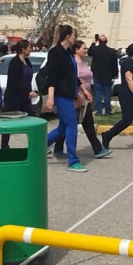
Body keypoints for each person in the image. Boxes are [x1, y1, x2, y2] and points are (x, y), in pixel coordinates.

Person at [53, 40, 111, 160]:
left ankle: (57, 148)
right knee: (74, 125)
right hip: (77, 99)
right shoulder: (73, 63)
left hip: (85, 98)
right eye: (84, 48)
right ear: (76, 50)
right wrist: (83, 91)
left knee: (78, 124)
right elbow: (73, 80)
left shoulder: (82, 62)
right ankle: (97, 149)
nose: (86, 50)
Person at [43, 24, 86, 172]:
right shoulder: (55, 53)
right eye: (73, 35)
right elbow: (52, 77)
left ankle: (38, 146)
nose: (75, 38)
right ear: (67, 36)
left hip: (70, 94)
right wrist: (50, 97)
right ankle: (73, 161)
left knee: (63, 128)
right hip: (62, 95)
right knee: (71, 125)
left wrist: (82, 90)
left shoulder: (68, 52)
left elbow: (71, 75)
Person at [101, 44, 133, 152]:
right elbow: (129, 79)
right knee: (127, 120)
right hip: (128, 95)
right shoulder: (127, 62)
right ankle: (107, 135)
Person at [88, 35, 118, 115]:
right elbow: (114, 64)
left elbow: (89, 52)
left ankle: (99, 111)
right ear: (106, 41)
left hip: (96, 74)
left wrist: (93, 43)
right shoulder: (111, 51)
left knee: (98, 93)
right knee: (107, 93)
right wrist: (115, 74)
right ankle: (108, 111)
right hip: (107, 75)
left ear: (99, 41)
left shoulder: (95, 50)